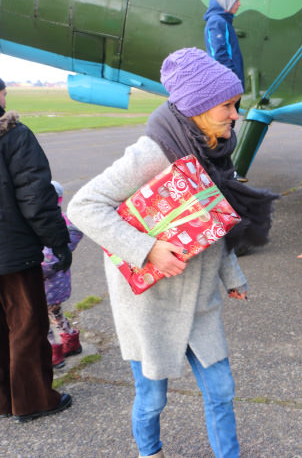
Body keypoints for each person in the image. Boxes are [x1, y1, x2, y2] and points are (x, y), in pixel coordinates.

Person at [68, 48, 279, 458]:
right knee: (152, 400)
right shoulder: (154, 152)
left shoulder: (217, 151)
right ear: (198, 108)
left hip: (199, 299)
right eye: (227, 106)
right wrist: (146, 250)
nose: (236, 115)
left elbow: (216, 223)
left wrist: (232, 276)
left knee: (222, 391)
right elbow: (83, 206)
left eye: (236, 104)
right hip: (152, 304)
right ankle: (149, 452)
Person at [0, 76, 73, 423]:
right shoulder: (14, 136)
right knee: (27, 325)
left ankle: (4, 401)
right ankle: (33, 400)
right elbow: (36, 197)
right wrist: (58, 241)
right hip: (13, 253)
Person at [42, 181, 84, 369]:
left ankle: (53, 353)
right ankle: (71, 341)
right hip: (59, 284)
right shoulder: (65, 222)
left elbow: (48, 261)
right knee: (55, 312)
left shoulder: (46, 226)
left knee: (40, 320)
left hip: (45, 285)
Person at [204, 0, 245, 96]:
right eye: (236, 0)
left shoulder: (224, 21)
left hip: (229, 85)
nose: (239, 4)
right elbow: (218, 55)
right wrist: (233, 80)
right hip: (226, 87)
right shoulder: (217, 22)